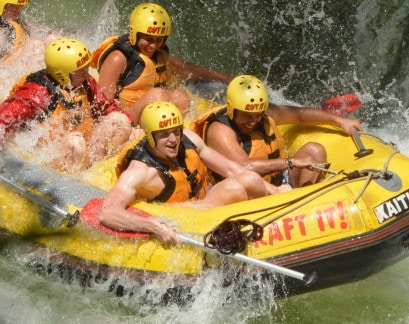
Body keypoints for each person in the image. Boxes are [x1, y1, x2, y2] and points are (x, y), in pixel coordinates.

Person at [98, 101, 283, 243]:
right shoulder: (140, 171)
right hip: (187, 218)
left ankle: (273, 218)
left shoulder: (189, 139)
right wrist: (150, 225)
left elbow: (231, 168)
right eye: (164, 135)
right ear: (150, 137)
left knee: (249, 178)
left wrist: (276, 191)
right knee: (235, 189)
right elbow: (107, 212)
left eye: (176, 132)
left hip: (203, 203)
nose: (173, 140)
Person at [0, 37, 136, 173]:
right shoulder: (37, 93)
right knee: (76, 142)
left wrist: (133, 125)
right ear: (63, 74)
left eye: (87, 68)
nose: (87, 74)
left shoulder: (85, 82)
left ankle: (92, 169)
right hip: (53, 155)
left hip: (83, 145)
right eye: (81, 71)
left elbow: (106, 106)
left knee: (120, 120)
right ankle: (77, 180)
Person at [191, 75, 362, 188]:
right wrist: (290, 162)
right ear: (232, 110)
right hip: (247, 192)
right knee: (249, 180)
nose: (253, 121)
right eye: (247, 116)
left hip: (279, 180)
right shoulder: (220, 130)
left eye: (258, 115)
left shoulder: (264, 114)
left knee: (314, 151)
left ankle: (305, 205)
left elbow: (299, 115)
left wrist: (339, 121)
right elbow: (242, 167)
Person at [91, 2, 233, 120]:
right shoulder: (118, 58)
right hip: (127, 118)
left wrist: (224, 77)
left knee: (180, 96)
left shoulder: (160, 55)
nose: (153, 45)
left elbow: (186, 69)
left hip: (156, 117)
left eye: (159, 40)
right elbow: (102, 105)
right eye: (148, 39)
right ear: (135, 34)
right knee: (157, 95)